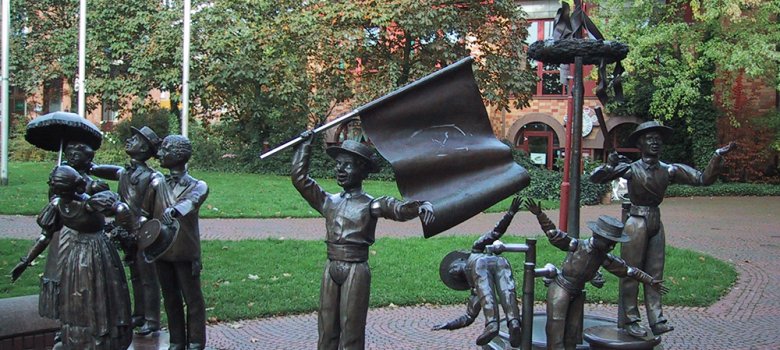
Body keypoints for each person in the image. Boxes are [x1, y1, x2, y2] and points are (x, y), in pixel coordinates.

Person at [590, 121, 735, 337]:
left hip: (655, 222)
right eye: (650, 139)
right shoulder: (631, 169)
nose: (655, 142)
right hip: (636, 222)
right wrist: (609, 166)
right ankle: (630, 320)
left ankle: (656, 319)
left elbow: (702, 179)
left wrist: (717, 156)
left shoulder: (669, 170)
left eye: (658, 139)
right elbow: (595, 178)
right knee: (631, 272)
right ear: (640, 144)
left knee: (655, 273)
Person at [292, 132, 435, 350]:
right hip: (331, 267)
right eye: (338, 164)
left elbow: (396, 208)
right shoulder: (328, 201)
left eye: (347, 165)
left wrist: (419, 206)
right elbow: (300, 179)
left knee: (351, 332)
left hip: (355, 270)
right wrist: (304, 147)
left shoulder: (370, 205)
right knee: (327, 330)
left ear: (362, 170)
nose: (340, 170)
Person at [12, 165, 134, 349]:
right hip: (75, 254)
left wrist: (125, 234)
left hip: (98, 252)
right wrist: (26, 260)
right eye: (56, 188)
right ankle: (78, 340)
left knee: (101, 294)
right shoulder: (57, 205)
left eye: (61, 188)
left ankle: (103, 339)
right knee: (76, 297)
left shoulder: (90, 203)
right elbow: (45, 236)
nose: (57, 192)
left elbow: (122, 209)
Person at [526, 199, 668, 350]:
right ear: (597, 236)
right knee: (556, 328)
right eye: (609, 243)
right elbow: (553, 234)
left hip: (577, 292)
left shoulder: (604, 257)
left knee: (572, 334)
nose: (612, 247)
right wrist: (540, 214)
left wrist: (650, 281)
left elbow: (628, 270)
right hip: (561, 288)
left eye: (614, 244)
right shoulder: (576, 245)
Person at [11, 141, 109, 324]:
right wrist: (26, 261)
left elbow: (108, 210)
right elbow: (46, 232)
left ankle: (90, 324)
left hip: (89, 245)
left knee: (87, 286)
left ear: (88, 160)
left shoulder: (92, 187)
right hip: (62, 235)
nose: (71, 156)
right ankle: (65, 324)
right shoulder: (59, 186)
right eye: (69, 153)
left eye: (77, 154)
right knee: (60, 279)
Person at [92, 126, 163, 335]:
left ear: (144, 149)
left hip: (144, 232)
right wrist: (90, 168)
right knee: (135, 275)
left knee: (149, 277)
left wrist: (147, 227)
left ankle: (152, 319)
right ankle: (139, 313)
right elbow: (108, 170)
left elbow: (158, 206)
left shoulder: (153, 177)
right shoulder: (124, 172)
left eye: (135, 139)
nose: (129, 140)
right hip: (125, 232)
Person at [143, 135, 209, 350]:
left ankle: (196, 342)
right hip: (161, 250)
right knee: (170, 298)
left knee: (193, 301)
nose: (159, 153)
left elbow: (193, 201)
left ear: (178, 154)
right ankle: (176, 342)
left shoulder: (197, 185)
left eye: (165, 149)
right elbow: (144, 213)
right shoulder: (157, 184)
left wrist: (176, 210)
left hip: (184, 251)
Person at [433, 196, 523, 347]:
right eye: (453, 274)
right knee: (499, 291)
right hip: (499, 262)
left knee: (502, 292)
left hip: (490, 262)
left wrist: (510, 214)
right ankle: (513, 321)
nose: (453, 271)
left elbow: (495, 233)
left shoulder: (476, 250)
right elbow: (468, 316)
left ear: (461, 259)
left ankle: (496, 323)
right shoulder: (474, 289)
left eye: (452, 268)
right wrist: (448, 325)